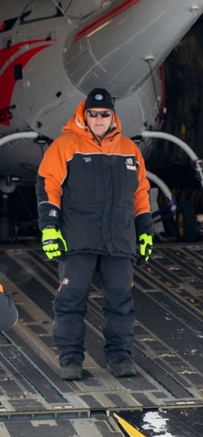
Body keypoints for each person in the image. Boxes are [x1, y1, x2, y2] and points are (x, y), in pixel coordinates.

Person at [36, 88, 153, 381]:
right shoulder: (65, 145)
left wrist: (145, 231)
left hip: (119, 239)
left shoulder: (129, 149)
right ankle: (70, 359)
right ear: (83, 115)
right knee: (70, 301)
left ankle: (119, 357)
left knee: (120, 301)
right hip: (78, 239)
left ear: (112, 116)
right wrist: (49, 229)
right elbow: (48, 186)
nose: (98, 119)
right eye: (93, 114)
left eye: (104, 114)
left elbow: (140, 194)